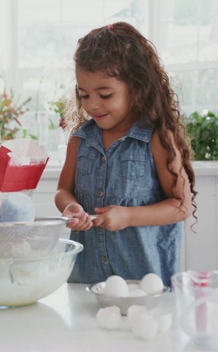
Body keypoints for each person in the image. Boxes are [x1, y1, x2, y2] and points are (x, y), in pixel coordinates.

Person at [55, 22, 197, 287]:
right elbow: (63, 190)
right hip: (85, 282)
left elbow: (181, 205)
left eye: (105, 95)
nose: (92, 105)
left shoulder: (157, 139)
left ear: (136, 86)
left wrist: (129, 216)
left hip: (145, 284)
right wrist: (69, 207)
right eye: (84, 95)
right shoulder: (80, 139)